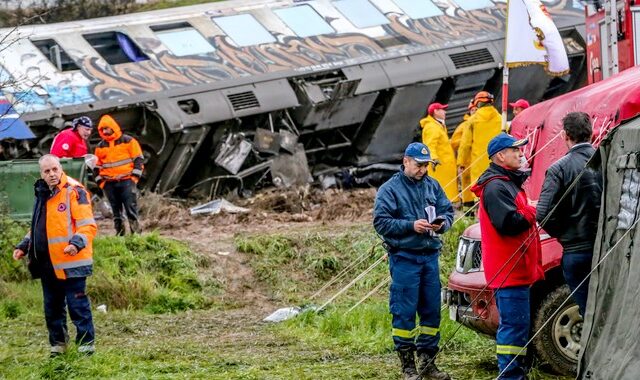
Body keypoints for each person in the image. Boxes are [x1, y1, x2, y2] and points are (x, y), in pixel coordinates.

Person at [374, 142, 453, 380]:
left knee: (431, 312)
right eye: (418, 165)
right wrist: (411, 226)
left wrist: (443, 224)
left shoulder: (432, 185)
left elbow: (448, 211)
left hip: (430, 257)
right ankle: (408, 367)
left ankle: (428, 363)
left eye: (426, 165)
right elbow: (381, 223)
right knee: (404, 312)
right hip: (404, 258)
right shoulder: (390, 190)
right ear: (406, 161)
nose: (422, 170)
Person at [471, 133, 544, 380]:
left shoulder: (507, 182)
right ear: (501, 156)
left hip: (515, 269)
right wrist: (533, 209)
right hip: (508, 271)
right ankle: (510, 376)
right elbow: (508, 223)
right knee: (513, 329)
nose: (521, 153)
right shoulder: (496, 187)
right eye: (516, 150)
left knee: (517, 327)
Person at [12, 154, 97, 357]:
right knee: (52, 309)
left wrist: (75, 245)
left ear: (60, 169)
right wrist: (24, 245)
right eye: (47, 171)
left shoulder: (74, 191)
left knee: (78, 308)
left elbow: (88, 226)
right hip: (47, 263)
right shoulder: (42, 193)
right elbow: (39, 228)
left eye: (54, 169)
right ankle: (58, 348)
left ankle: (86, 349)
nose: (51, 174)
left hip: (72, 262)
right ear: (41, 173)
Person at [535, 112, 602, 317]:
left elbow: (543, 213)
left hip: (576, 250)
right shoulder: (607, 160)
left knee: (588, 311)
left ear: (564, 135)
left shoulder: (559, 169)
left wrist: (564, 234)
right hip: (606, 247)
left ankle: (591, 348)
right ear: (590, 133)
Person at [94, 114, 144, 236]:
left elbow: (138, 159)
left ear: (113, 127)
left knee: (130, 209)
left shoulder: (129, 141)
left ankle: (136, 235)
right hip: (109, 184)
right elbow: (96, 167)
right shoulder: (100, 147)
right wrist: (102, 183)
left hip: (126, 181)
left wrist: (134, 179)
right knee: (116, 212)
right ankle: (120, 234)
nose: (105, 131)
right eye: (102, 129)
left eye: (106, 128)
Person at [457, 91, 502, 191]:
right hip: (498, 162)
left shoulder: (473, 120)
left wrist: (461, 163)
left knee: (480, 193)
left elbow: (465, 144)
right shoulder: (500, 118)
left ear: (478, 103)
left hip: (479, 165)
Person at [419, 102, 458, 202]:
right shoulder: (432, 127)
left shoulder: (437, 126)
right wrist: (433, 158)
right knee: (442, 190)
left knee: (445, 190)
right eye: (442, 109)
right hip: (440, 166)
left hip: (443, 165)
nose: (445, 112)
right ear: (435, 111)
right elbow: (430, 145)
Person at [450, 101, 476, 207]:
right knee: (467, 184)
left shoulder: (480, 123)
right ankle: (468, 209)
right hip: (467, 160)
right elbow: (454, 142)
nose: (475, 112)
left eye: (476, 110)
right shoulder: (463, 125)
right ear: (469, 111)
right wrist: (467, 141)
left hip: (475, 159)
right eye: (473, 110)